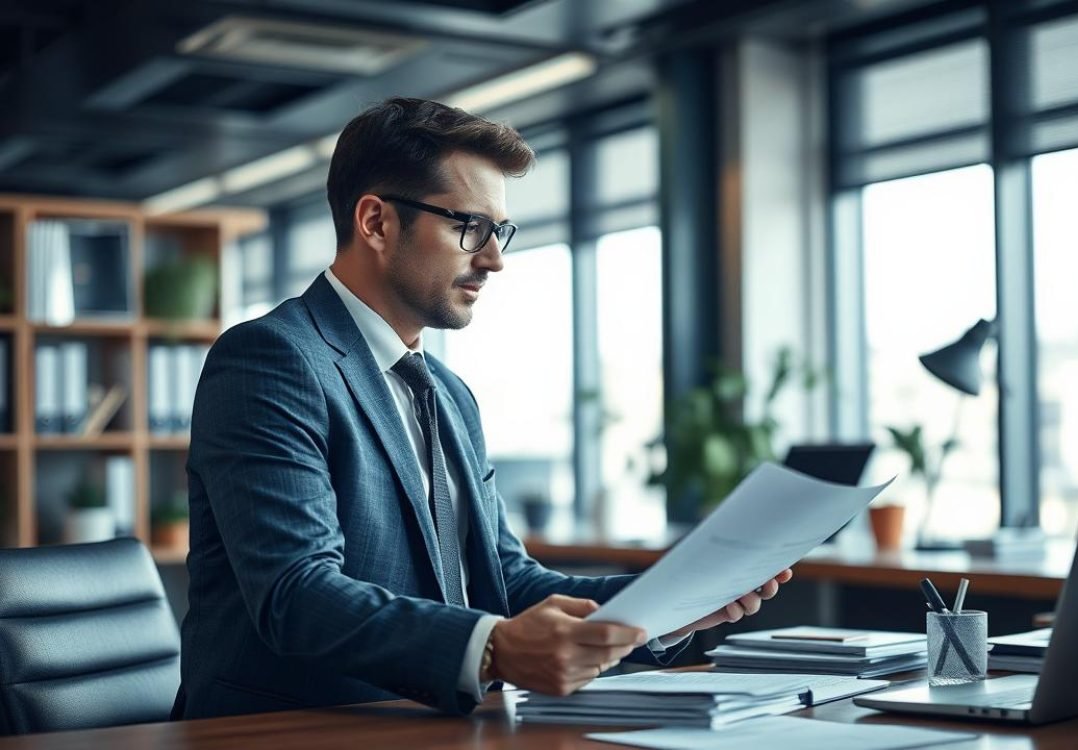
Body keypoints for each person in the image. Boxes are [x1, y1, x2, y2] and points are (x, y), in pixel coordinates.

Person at [173, 97, 791, 720]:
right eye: (470, 226)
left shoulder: (447, 393)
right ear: (376, 222)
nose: (495, 258)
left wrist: (671, 601)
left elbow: (505, 581)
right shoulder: (270, 359)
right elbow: (297, 595)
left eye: (500, 231)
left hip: (431, 728)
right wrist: (492, 647)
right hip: (289, 731)